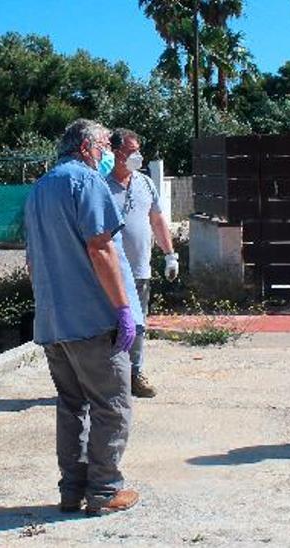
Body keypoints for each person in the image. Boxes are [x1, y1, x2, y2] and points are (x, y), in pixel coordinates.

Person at [24, 119, 144, 516]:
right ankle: (105, 489)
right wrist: (124, 309)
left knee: (71, 405)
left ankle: (72, 489)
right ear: (87, 146)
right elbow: (101, 248)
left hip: (54, 321)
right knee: (112, 405)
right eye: (107, 144)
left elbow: (31, 259)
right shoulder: (87, 182)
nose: (109, 152)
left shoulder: (39, 189)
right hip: (93, 319)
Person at [105, 128, 179, 398]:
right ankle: (110, 378)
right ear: (115, 152)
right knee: (110, 326)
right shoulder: (101, 186)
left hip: (140, 270)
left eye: (138, 150)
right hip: (111, 272)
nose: (137, 156)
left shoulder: (145, 183)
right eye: (131, 151)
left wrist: (170, 254)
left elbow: (157, 219)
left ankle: (135, 374)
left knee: (138, 325)